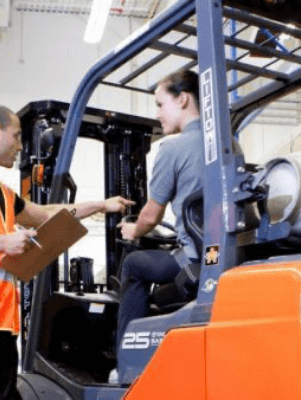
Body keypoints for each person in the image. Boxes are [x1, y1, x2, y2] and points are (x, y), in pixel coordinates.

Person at [0, 103, 134, 400]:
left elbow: (46, 214)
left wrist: (100, 205)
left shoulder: (3, 193)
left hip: (3, 328)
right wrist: (3, 242)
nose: (20, 146)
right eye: (17, 136)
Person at [115, 69, 207, 367]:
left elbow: (152, 215)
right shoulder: (228, 144)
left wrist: (133, 230)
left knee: (132, 265)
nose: (157, 114)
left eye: (159, 104)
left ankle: (125, 362)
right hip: (219, 253)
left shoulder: (173, 148)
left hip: (192, 258)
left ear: (181, 100)